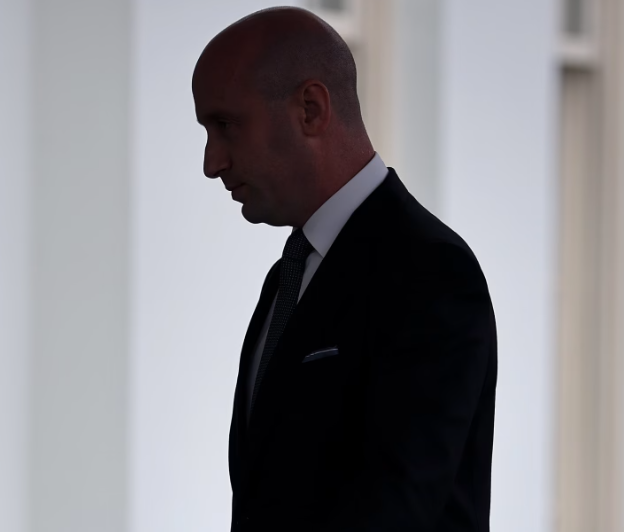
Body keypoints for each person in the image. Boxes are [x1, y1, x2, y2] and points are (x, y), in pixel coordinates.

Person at [191, 7, 498, 531]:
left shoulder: (430, 272)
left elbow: (400, 507)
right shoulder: (289, 276)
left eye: (225, 126)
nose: (211, 162)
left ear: (311, 109)